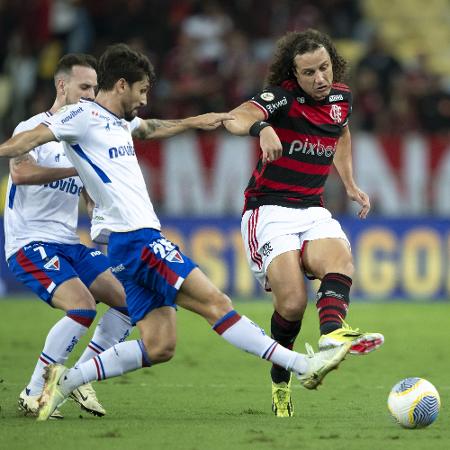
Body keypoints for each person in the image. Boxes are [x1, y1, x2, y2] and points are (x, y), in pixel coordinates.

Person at [0, 43, 351, 421]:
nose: (145, 100)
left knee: (160, 344)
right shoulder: (80, 117)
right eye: (142, 91)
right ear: (121, 85)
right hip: (138, 239)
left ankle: (64, 382)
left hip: (122, 247)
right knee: (216, 303)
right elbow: (30, 138)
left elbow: (150, 128)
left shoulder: (118, 120)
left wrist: (198, 121)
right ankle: (302, 365)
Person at [222, 29, 384, 417]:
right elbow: (236, 117)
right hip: (269, 210)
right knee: (292, 305)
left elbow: (341, 133)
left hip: (312, 207)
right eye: (309, 72)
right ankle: (281, 383)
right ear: (294, 75)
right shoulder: (281, 98)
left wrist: (349, 183)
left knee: (340, 259)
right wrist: (261, 128)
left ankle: (332, 337)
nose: (320, 79)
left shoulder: (341, 98)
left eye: (324, 68)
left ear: (333, 64)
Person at [4, 53, 133, 419]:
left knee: (130, 301)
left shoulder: (84, 135)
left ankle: (77, 378)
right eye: (85, 87)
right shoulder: (32, 127)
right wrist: (75, 166)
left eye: (95, 88)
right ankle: (34, 392)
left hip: (69, 241)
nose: (92, 95)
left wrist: (101, 214)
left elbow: (90, 197)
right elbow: (21, 173)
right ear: (62, 85)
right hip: (30, 242)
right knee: (82, 307)